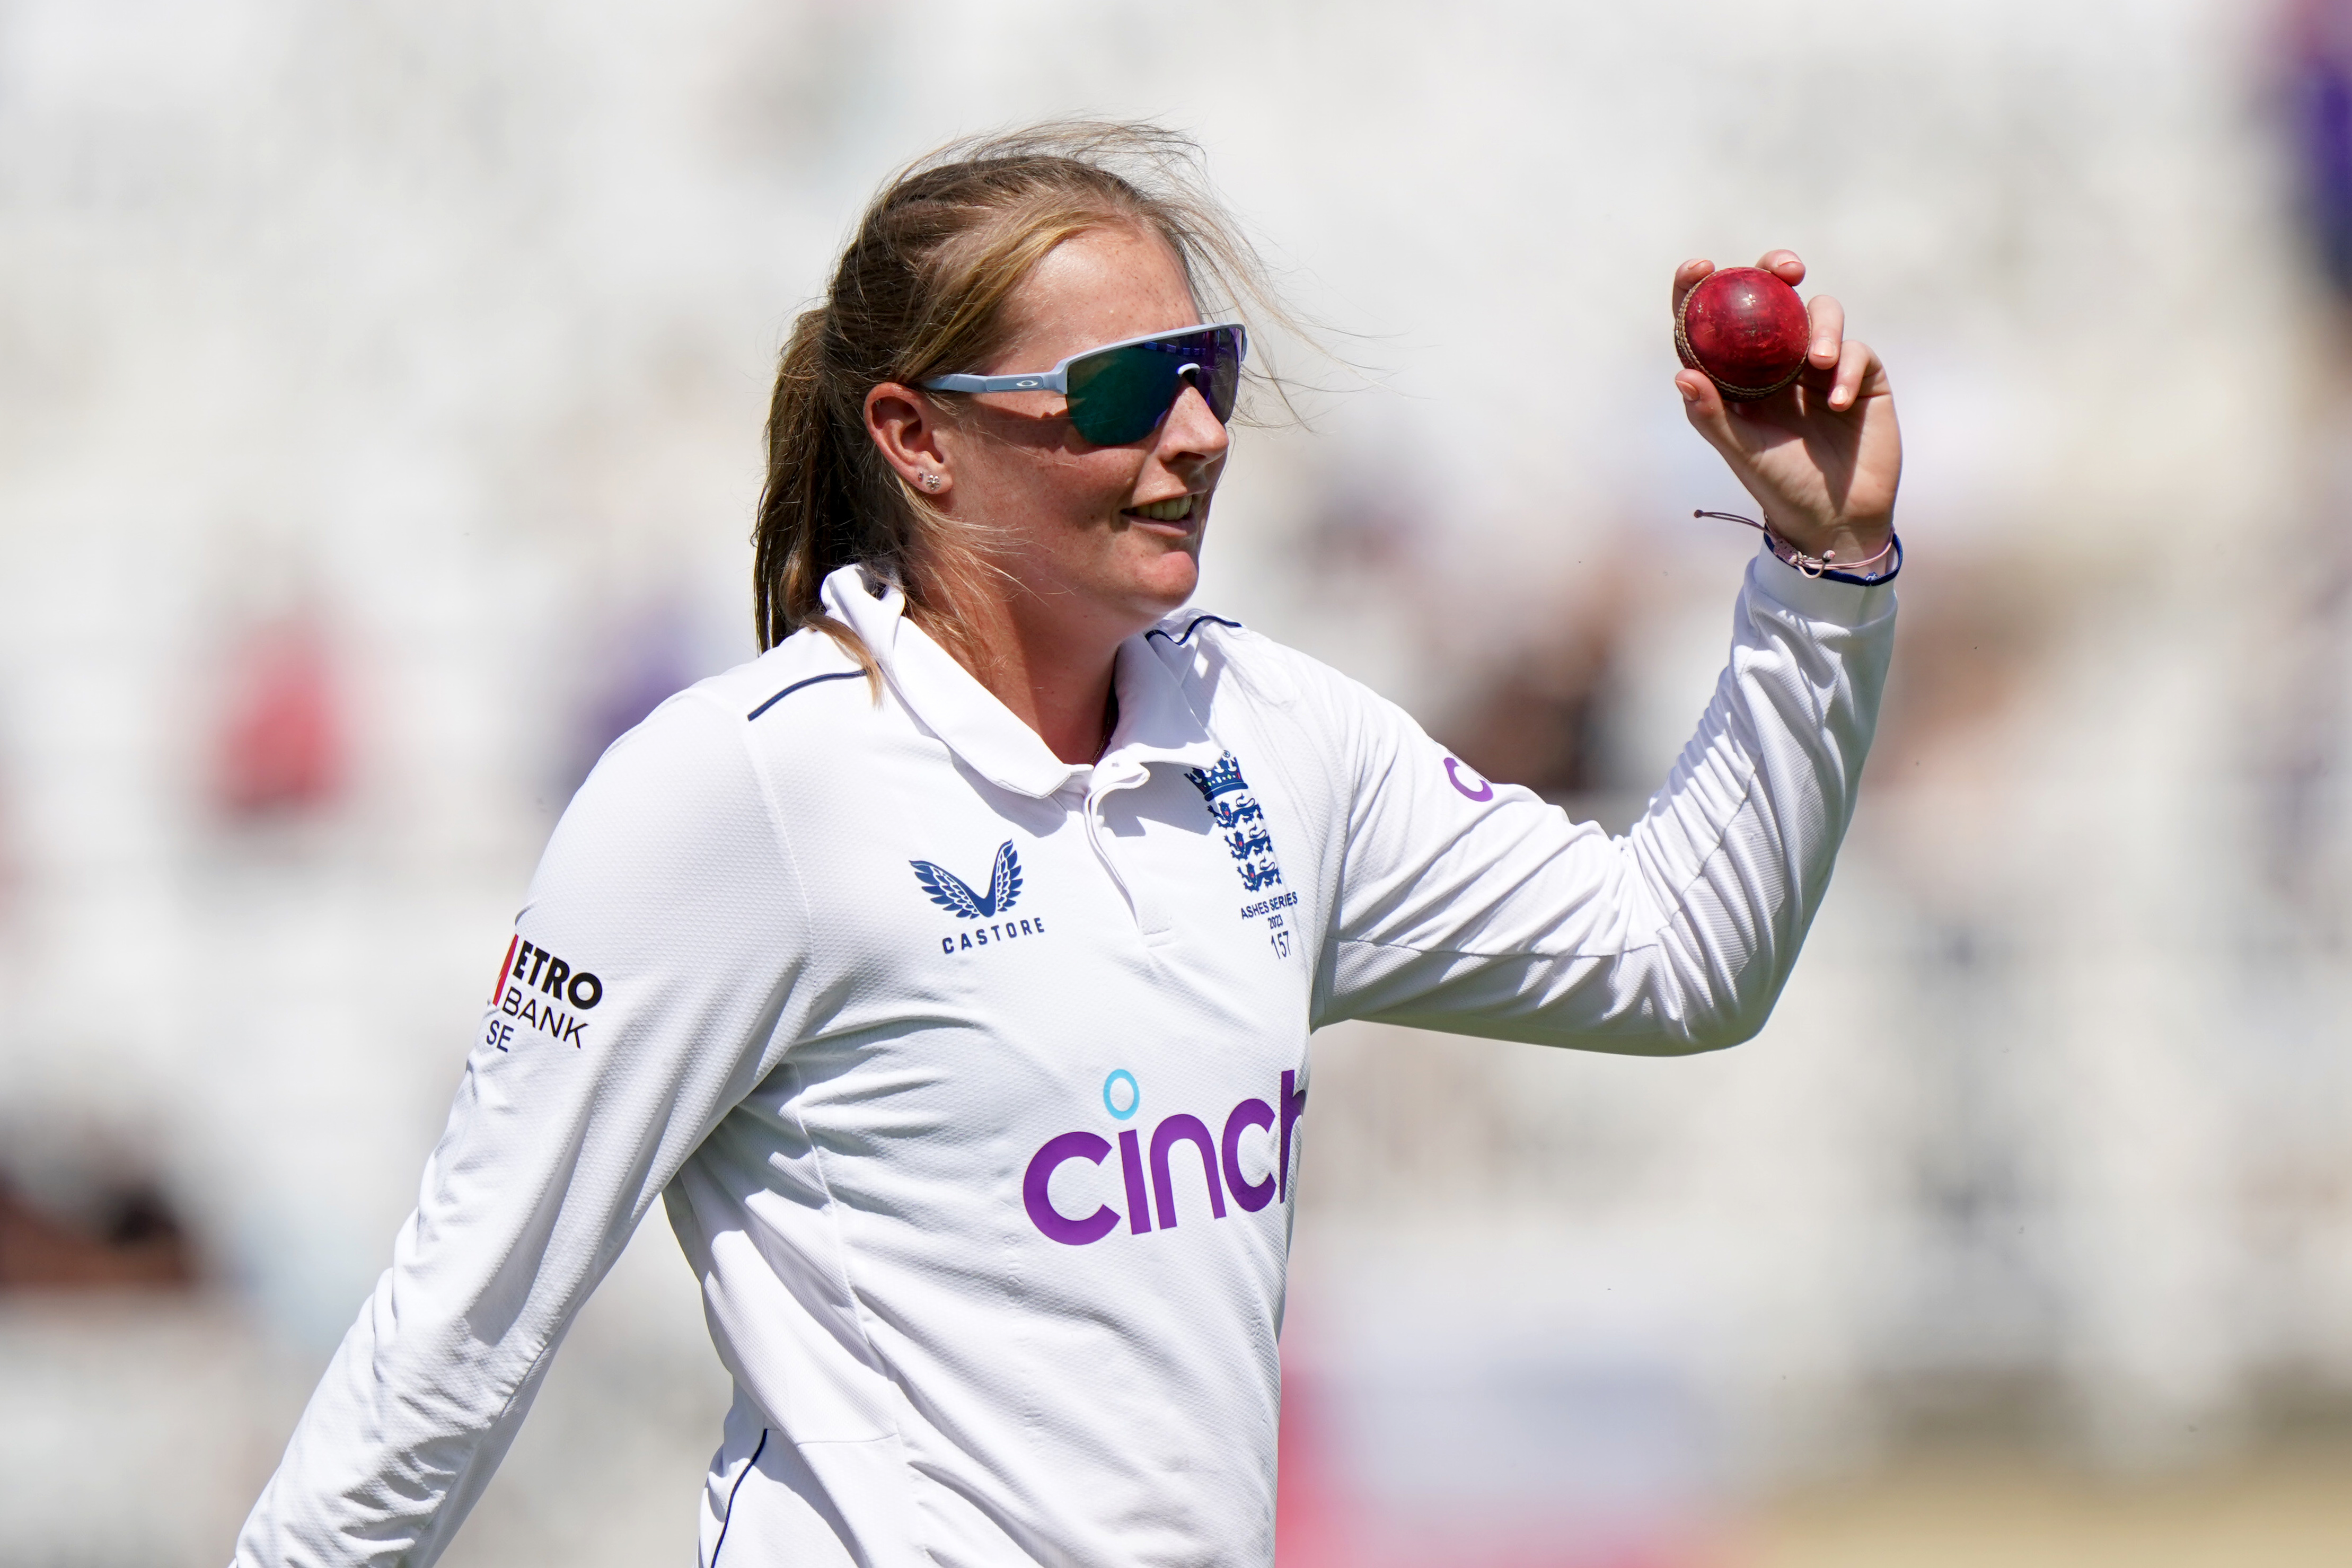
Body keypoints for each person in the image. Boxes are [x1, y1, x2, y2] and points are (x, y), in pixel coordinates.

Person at [230, 121, 1900, 1568]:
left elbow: (1680, 959)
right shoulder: (738, 797)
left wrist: (1822, 574)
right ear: (916, 439)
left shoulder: (1273, 734)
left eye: (1209, 373)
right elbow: (456, 1335)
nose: (1192, 436)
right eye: (1119, 390)